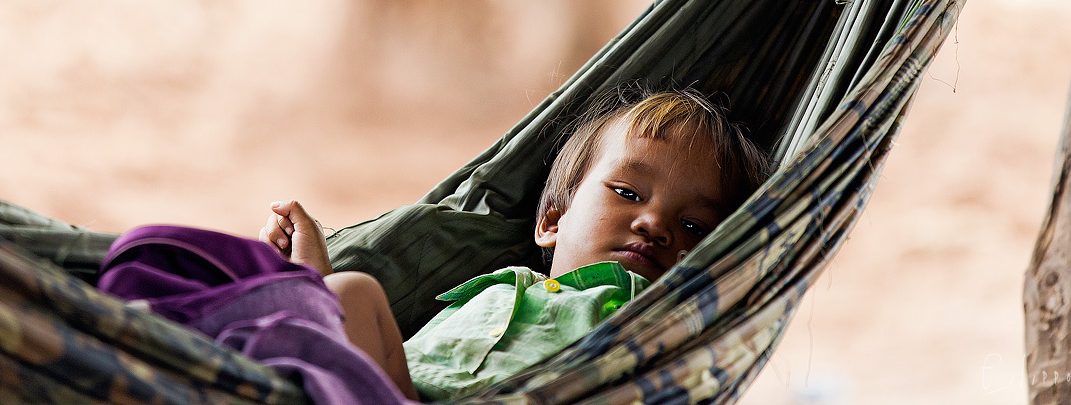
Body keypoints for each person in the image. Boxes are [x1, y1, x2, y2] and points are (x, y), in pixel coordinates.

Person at [261, 88, 770, 401]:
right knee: (354, 292)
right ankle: (311, 285)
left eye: (695, 228)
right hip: (395, 396)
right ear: (552, 220)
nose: (656, 224)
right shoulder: (501, 283)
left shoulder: (656, 318)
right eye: (627, 193)